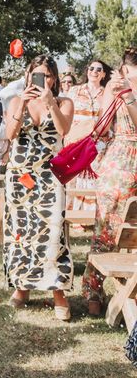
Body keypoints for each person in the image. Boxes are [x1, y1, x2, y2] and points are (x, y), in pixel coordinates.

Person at [3, 55, 74, 320]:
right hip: (20, 175)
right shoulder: (16, 100)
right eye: (36, 74)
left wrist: (49, 104)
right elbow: (10, 134)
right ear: (28, 75)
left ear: (54, 79)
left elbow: (63, 130)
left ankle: (58, 291)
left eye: (47, 75)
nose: (41, 79)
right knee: (21, 232)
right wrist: (21, 104)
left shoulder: (63, 102)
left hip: (49, 176)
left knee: (52, 232)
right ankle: (22, 288)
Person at [82, 47, 137, 316]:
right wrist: (112, 95)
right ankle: (93, 289)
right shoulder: (114, 91)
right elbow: (100, 129)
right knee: (105, 230)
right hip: (119, 164)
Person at [64, 60, 111, 212]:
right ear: (87, 71)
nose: (94, 71)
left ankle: (90, 216)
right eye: (91, 68)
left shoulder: (107, 94)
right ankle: (71, 215)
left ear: (103, 74)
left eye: (99, 69)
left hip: (98, 145)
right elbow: (66, 116)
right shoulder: (74, 91)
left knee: (94, 178)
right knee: (73, 179)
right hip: (75, 142)